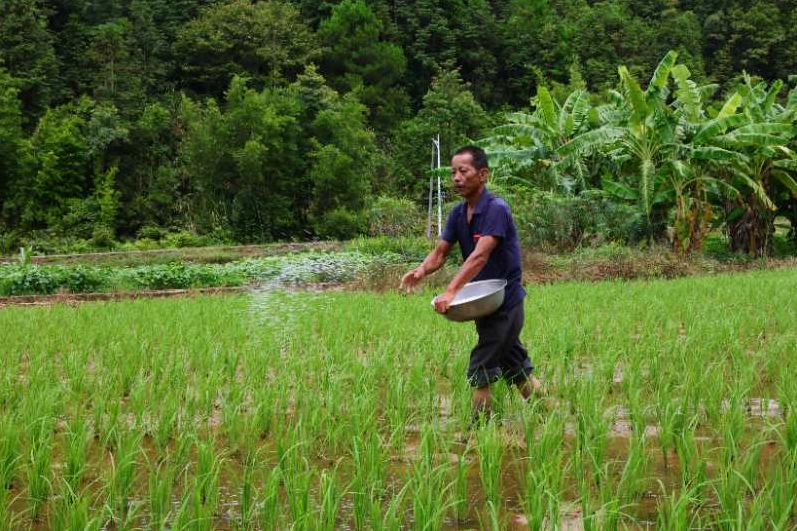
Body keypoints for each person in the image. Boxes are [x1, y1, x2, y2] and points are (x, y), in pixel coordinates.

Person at [400, 145, 541, 421]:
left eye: (463, 171)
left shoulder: (496, 209)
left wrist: (451, 291)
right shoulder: (457, 214)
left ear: (483, 174)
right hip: (484, 304)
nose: (456, 177)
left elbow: (479, 257)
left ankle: (479, 437)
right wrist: (420, 271)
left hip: (505, 303)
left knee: (480, 371)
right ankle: (555, 420)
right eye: (453, 172)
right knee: (517, 371)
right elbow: (440, 253)